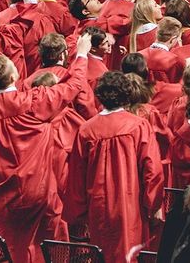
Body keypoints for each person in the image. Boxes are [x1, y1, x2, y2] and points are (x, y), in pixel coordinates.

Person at [0, 32, 92, 263]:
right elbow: (75, 84)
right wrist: (83, 53)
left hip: (1, 191)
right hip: (40, 189)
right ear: (15, 76)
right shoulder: (34, 101)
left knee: (7, 251)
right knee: (50, 247)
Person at [64, 71, 164, 263]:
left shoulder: (86, 130)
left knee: (102, 254)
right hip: (131, 205)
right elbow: (152, 169)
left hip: (98, 206)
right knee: (131, 254)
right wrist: (153, 204)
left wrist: (80, 212)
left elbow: (77, 176)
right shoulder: (138, 126)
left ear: (99, 95)